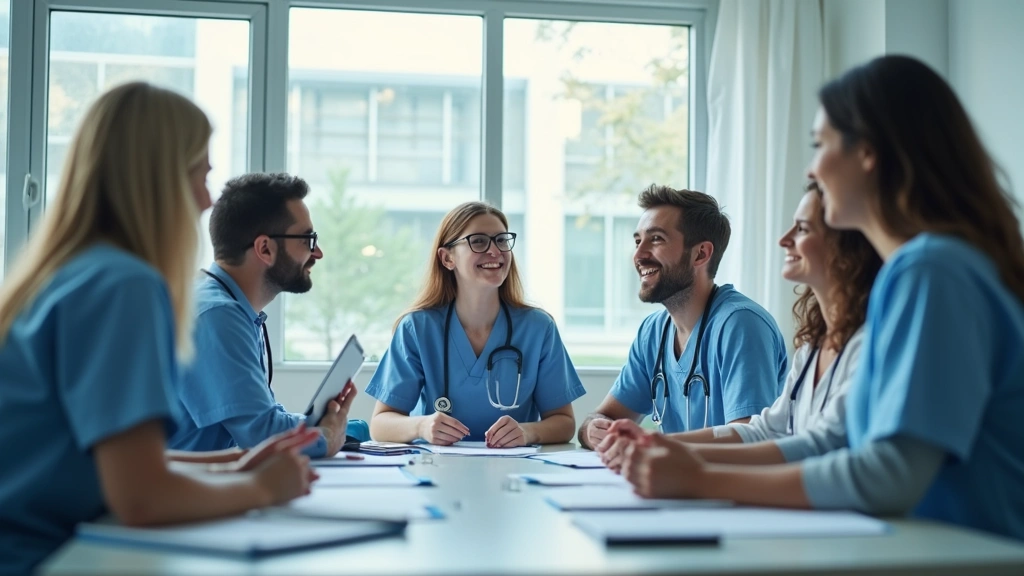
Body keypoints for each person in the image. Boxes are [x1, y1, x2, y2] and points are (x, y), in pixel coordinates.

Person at [620, 55, 1024, 541]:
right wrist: (684, 457)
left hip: (966, 552)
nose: (813, 167)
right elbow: (832, 440)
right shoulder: (928, 269)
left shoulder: (931, 269)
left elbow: (890, 474)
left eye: (821, 144)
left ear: (868, 153)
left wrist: (700, 478)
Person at [0, 83, 316, 574]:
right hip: (45, 557)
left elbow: (118, 465)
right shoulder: (124, 285)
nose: (208, 199)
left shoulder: (71, 271)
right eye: (200, 174)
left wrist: (231, 466)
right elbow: (141, 497)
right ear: (157, 178)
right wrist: (262, 489)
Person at [599, 183, 881, 471]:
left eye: (803, 229)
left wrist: (691, 472)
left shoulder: (743, 323)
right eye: (638, 241)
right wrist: (655, 445)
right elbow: (764, 431)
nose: (784, 240)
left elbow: (819, 449)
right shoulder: (812, 347)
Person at [168, 173, 367, 459]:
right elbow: (260, 433)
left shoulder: (229, 307)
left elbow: (265, 418)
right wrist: (325, 437)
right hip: (175, 498)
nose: (318, 253)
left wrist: (334, 428)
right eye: (308, 239)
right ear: (264, 248)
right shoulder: (218, 315)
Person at [577, 186, 789, 450]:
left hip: (733, 489)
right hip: (678, 485)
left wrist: (651, 442)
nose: (639, 254)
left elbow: (749, 437)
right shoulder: (653, 332)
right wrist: (593, 429)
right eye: (637, 241)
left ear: (701, 254)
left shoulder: (742, 325)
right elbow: (603, 417)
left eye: (656, 239)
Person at [366, 201, 585, 447]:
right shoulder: (417, 328)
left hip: (513, 473)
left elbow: (564, 422)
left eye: (502, 240)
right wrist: (422, 426)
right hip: (438, 472)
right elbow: (380, 424)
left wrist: (527, 432)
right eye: (479, 241)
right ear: (447, 258)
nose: (495, 251)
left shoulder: (538, 328)